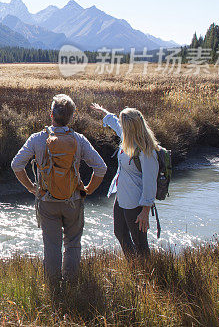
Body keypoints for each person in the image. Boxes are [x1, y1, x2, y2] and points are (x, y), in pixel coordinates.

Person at [11, 94, 107, 284]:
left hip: (47, 201)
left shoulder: (37, 139)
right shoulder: (79, 140)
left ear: (51, 114)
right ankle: (71, 285)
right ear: (72, 117)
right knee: (72, 244)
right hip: (73, 201)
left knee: (51, 246)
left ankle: (54, 288)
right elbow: (101, 168)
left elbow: (16, 165)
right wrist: (87, 190)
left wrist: (32, 188)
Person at [90, 103, 159, 257]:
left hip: (136, 202)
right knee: (120, 233)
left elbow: (150, 182)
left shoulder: (146, 151)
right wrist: (103, 111)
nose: (120, 125)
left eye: (123, 123)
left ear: (130, 127)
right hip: (122, 197)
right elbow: (115, 123)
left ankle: (146, 273)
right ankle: (133, 265)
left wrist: (145, 211)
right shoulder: (127, 138)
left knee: (140, 242)